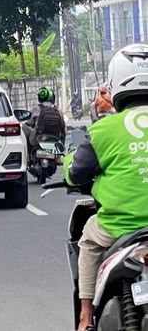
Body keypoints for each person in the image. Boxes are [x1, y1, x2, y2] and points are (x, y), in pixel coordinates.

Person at [64, 43, 148, 331]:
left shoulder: (105, 129)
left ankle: (85, 316)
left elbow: (76, 173)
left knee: (88, 241)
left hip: (119, 226)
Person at [23, 86, 66, 159]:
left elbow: (29, 123)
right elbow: (62, 124)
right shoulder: (58, 109)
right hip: (55, 138)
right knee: (64, 131)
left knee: (24, 130)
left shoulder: (35, 108)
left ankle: (28, 156)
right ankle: (58, 156)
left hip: (38, 138)